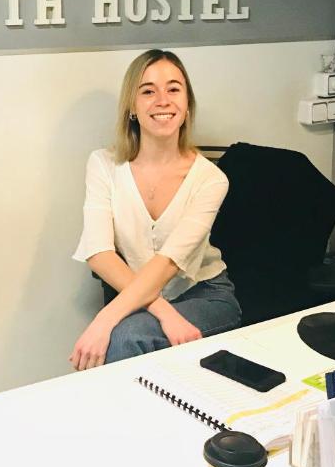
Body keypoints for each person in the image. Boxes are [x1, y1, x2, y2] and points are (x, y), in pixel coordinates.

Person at [69, 49, 240, 370]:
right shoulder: (103, 164)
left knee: (123, 336)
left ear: (187, 104)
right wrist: (163, 312)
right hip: (140, 299)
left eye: (174, 89)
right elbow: (98, 252)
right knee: (120, 335)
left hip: (203, 295)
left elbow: (168, 264)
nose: (163, 100)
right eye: (148, 91)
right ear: (132, 107)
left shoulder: (210, 179)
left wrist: (104, 318)